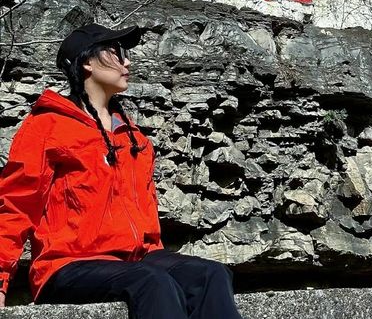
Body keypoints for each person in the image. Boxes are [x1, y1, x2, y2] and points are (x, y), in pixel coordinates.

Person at [0, 22, 243, 318]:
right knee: (152, 282)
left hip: (138, 260)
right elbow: (15, 205)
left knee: (210, 274)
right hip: (67, 266)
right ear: (86, 62)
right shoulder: (46, 127)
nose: (126, 61)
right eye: (114, 52)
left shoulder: (133, 137)